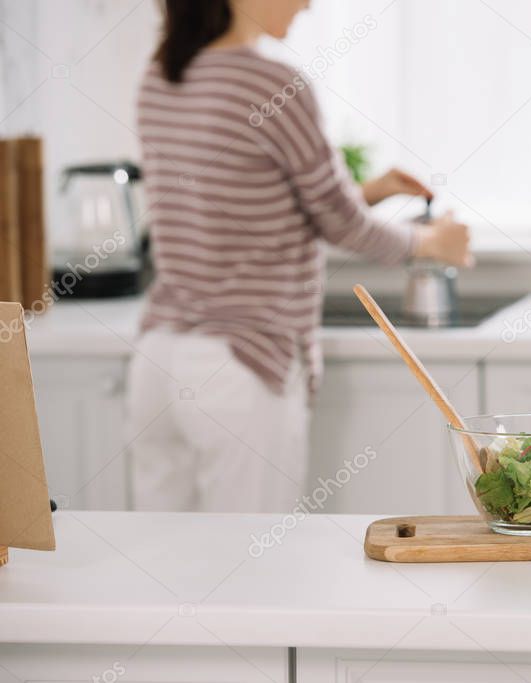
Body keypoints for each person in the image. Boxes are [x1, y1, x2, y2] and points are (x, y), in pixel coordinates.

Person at [125, 0, 471, 512]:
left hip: (159, 358)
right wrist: (429, 244)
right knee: (250, 571)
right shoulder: (271, 85)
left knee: (159, 566)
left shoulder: (160, 79)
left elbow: (249, 197)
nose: (308, 4)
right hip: (241, 362)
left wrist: (368, 191)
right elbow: (339, 223)